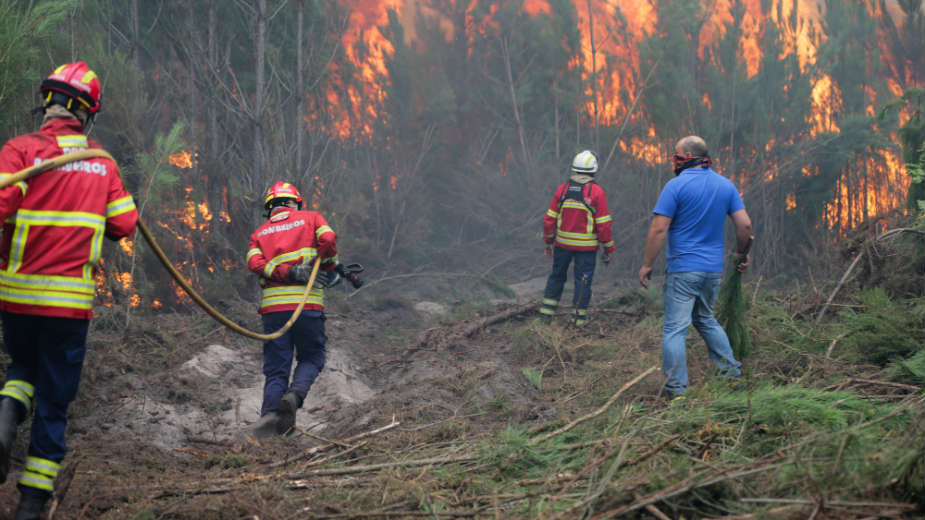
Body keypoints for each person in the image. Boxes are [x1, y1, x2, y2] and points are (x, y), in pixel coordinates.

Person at [0, 62, 139, 519]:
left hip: (16, 296)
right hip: (68, 306)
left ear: (49, 103)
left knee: (22, 366)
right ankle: (31, 504)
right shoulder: (103, 164)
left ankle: (4, 418)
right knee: (55, 401)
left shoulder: (19, 150)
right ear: (87, 113)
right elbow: (125, 223)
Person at [638, 135, 752, 401]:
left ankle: (677, 391)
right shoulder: (726, 185)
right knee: (705, 319)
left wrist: (647, 264)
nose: (673, 161)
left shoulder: (675, 186)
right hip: (712, 270)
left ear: (685, 158)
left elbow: (659, 229)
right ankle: (730, 375)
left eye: (676, 155)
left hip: (683, 269)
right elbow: (745, 225)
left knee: (675, 329)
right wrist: (741, 253)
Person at [246, 181, 338, 437]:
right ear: (295, 202)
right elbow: (329, 240)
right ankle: (295, 396)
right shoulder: (312, 218)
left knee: (276, 369)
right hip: (307, 306)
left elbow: (254, 263)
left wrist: (287, 271)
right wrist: (327, 267)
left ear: (270, 208)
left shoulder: (260, 233)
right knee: (312, 356)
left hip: (274, 311)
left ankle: (269, 426)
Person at [541, 150, 616, 326]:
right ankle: (578, 321)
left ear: (574, 169)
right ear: (593, 170)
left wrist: (548, 242)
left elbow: (550, 218)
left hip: (562, 245)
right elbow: (604, 225)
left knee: (556, 277)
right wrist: (608, 249)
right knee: (583, 282)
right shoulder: (596, 192)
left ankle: (545, 316)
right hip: (586, 249)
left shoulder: (563, 189)